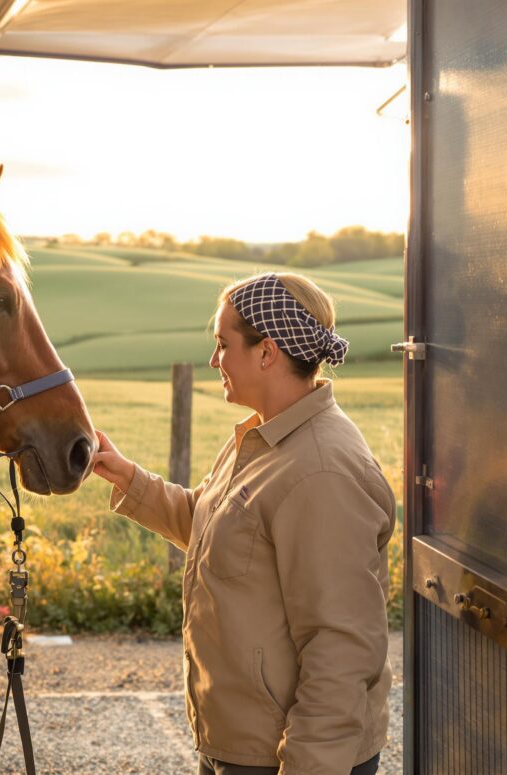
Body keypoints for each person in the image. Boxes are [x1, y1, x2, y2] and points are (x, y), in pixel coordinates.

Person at [92, 273, 395, 775]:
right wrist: (130, 479)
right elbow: (223, 534)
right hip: (239, 746)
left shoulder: (320, 471)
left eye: (222, 344)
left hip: (286, 758)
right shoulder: (263, 439)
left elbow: (340, 645)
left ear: (267, 352)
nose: (214, 361)